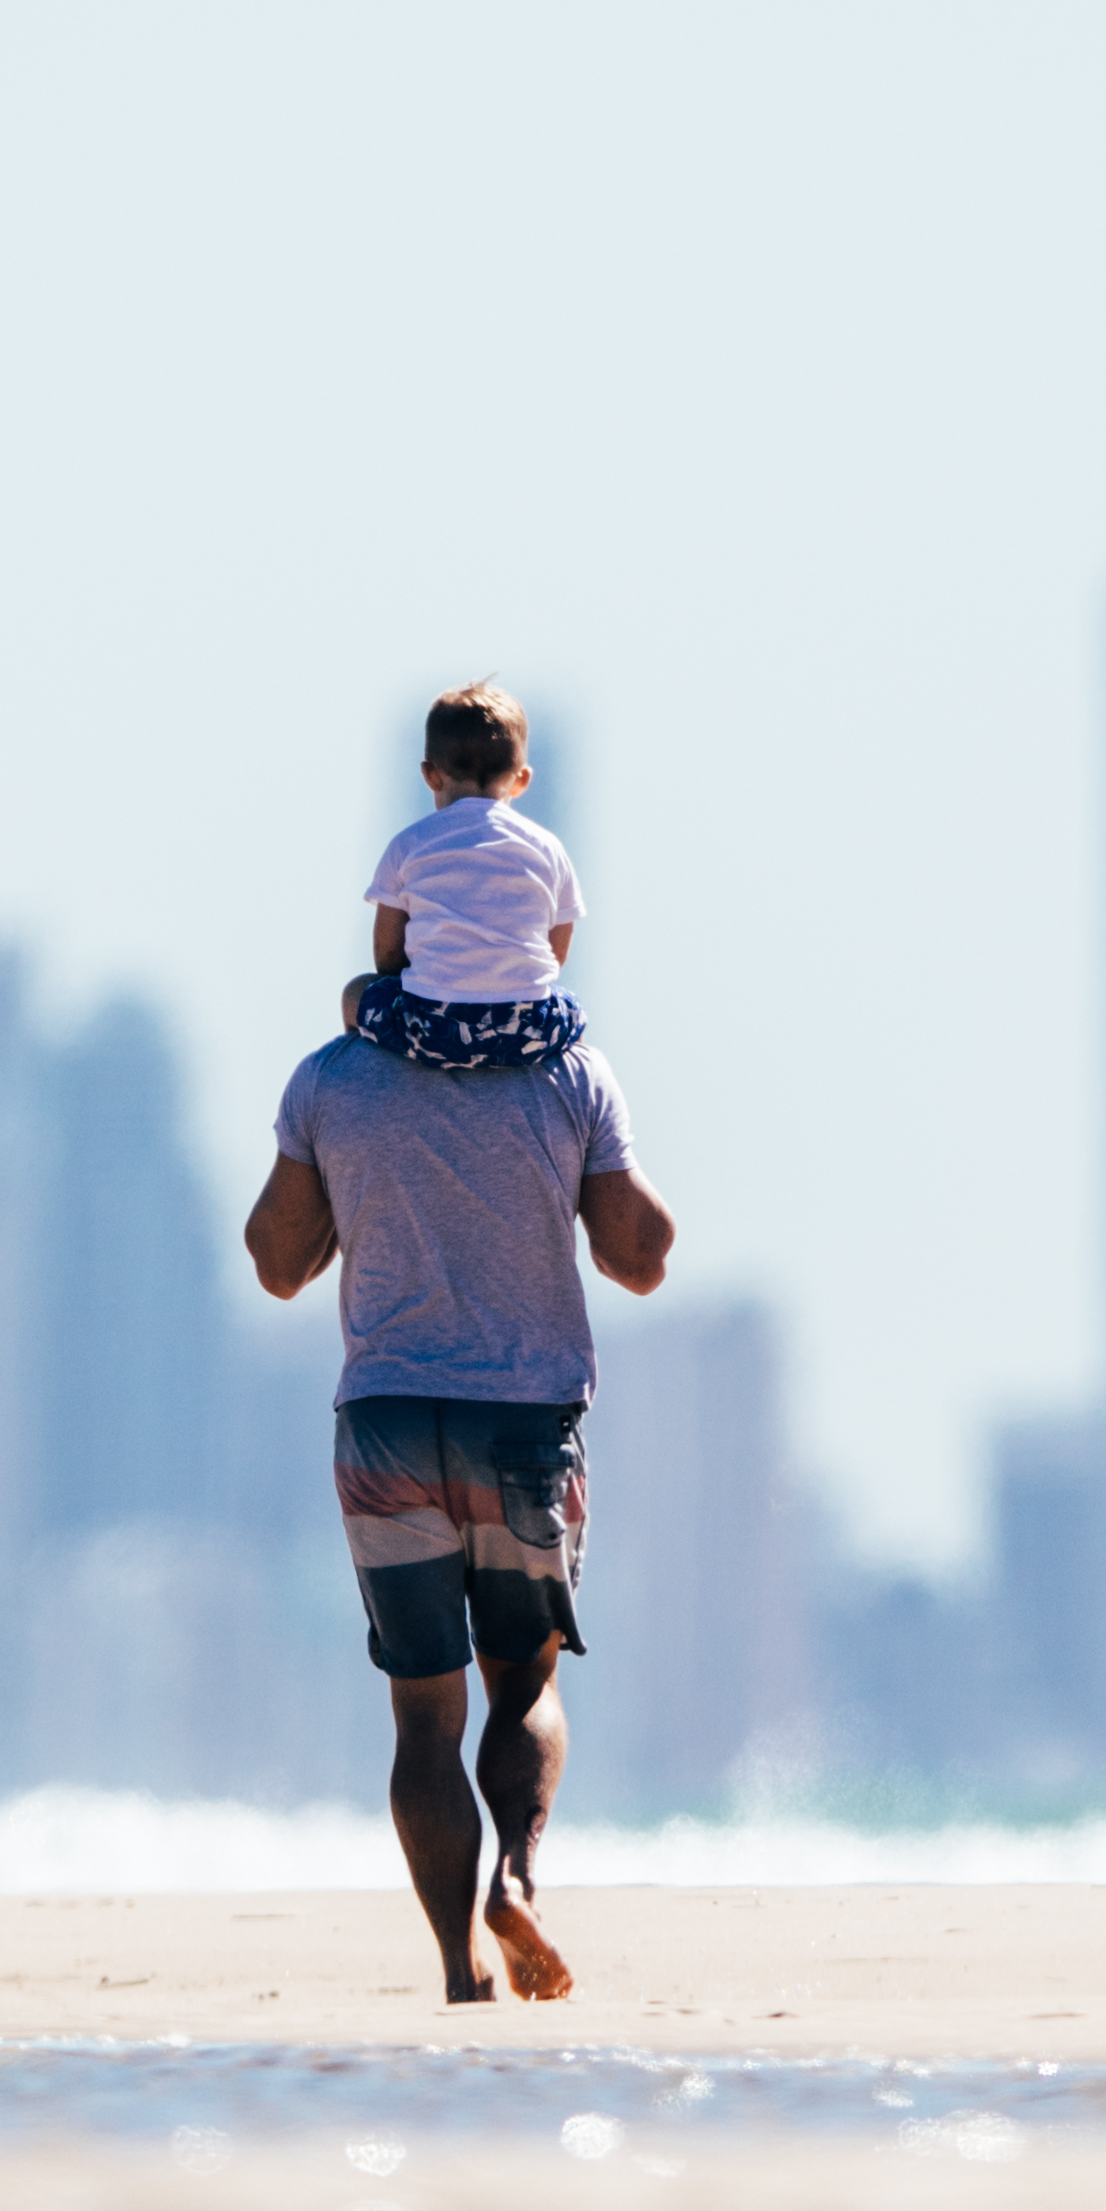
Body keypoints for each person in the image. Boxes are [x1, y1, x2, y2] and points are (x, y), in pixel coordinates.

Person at [244, 679, 675, 2005]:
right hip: (525, 1423)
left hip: (386, 1424)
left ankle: (456, 1973)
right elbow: (643, 1257)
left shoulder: (332, 1080)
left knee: (421, 1717)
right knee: (521, 1688)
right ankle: (520, 1880)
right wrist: (590, 1171)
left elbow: (274, 1265)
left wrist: (345, 1205)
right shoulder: (571, 1077)